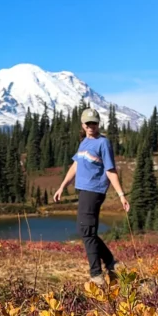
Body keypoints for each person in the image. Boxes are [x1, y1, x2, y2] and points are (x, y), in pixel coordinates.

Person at [53, 107, 130, 286]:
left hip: (94, 191)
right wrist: (62, 186)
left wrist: (121, 195)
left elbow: (110, 170)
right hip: (84, 191)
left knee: (86, 232)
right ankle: (112, 263)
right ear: (83, 125)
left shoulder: (103, 143)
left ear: (98, 124)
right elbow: (75, 166)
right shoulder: (84, 143)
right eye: (88, 123)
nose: (91, 126)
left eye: (94, 123)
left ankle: (96, 276)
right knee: (88, 231)